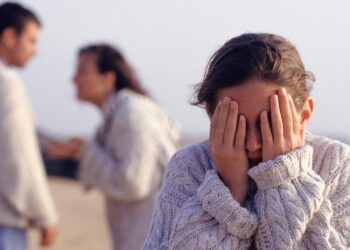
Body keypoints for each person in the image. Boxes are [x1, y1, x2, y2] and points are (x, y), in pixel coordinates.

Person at [142, 33, 350, 249]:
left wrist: (284, 179)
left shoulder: (336, 164)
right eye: (237, 125)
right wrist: (228, 191)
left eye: (269, 124)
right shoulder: (189, 167)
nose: (252, 144)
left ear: (304, 115)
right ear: (213, 117)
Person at [48, 44, 180, 250]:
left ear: (108, 78)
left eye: (82, 71)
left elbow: (133, 182)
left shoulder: (131, 113)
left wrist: (86, 152)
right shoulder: (119, 113)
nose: (74, 79)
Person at [0, 2, 58, 250]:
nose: (35, 51)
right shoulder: (7, 83)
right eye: (32, 40)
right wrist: (45, 214)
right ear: (10, 36)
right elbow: (19, 154)